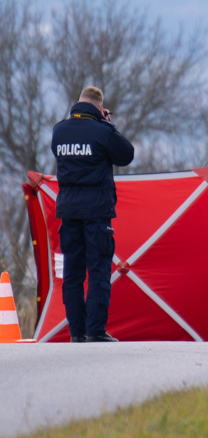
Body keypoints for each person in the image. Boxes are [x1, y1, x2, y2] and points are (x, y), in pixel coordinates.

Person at [51, 86, 134, 342]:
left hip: (68, 211)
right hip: (97, 212)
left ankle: (77, 332)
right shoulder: (103, 130)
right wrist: (109, 124)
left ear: (78, 103)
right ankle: (95, 331)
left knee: (73, 274)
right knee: (98, 269)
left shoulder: (59, 131)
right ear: (100, 108)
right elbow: (126, 155)